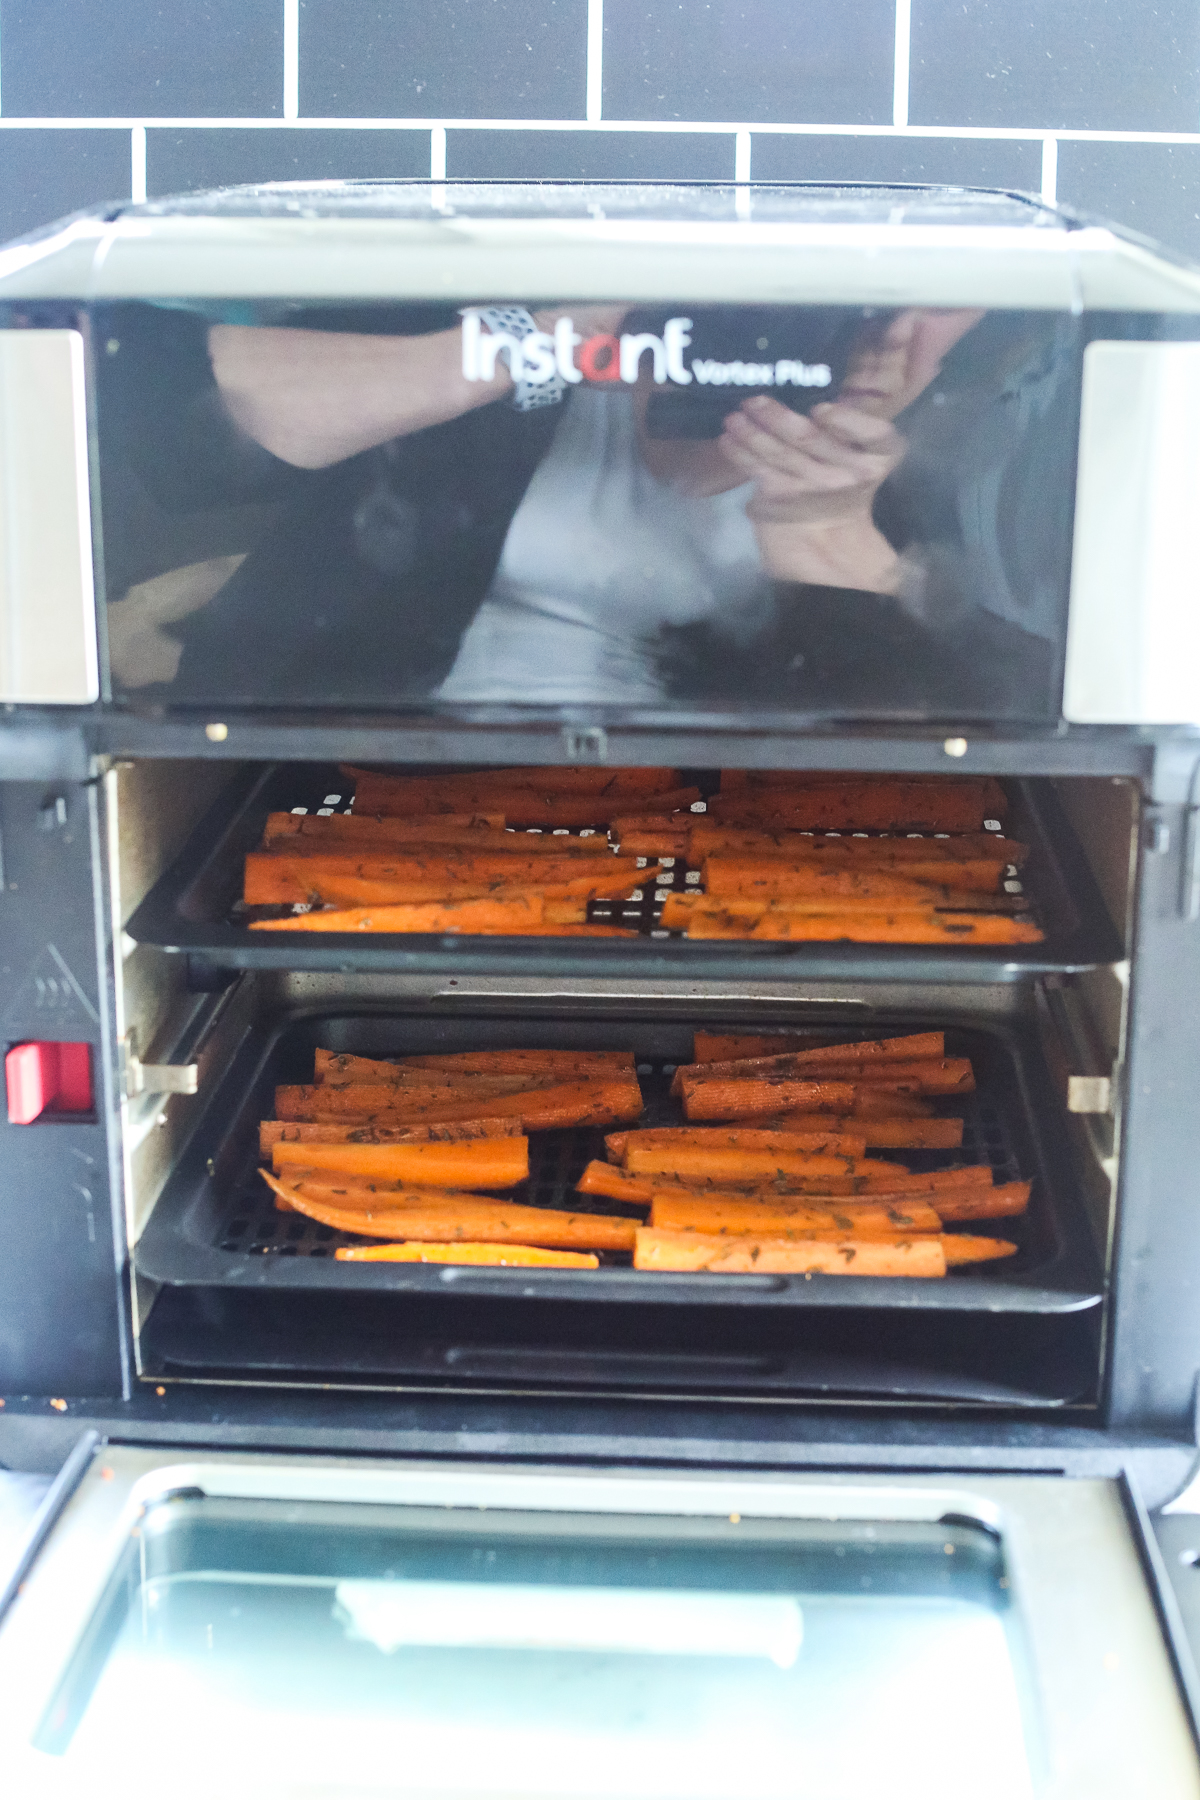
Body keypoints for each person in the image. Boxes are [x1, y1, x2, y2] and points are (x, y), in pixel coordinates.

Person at [102, 298, 1072, 716]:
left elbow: (997, 759)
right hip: (346, 794)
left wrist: (823, 536)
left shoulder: (978, 459)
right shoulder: (538, 322)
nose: (885, 325)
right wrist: (536, 345)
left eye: (948, 290)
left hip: (706, 859)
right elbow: (157, 418)